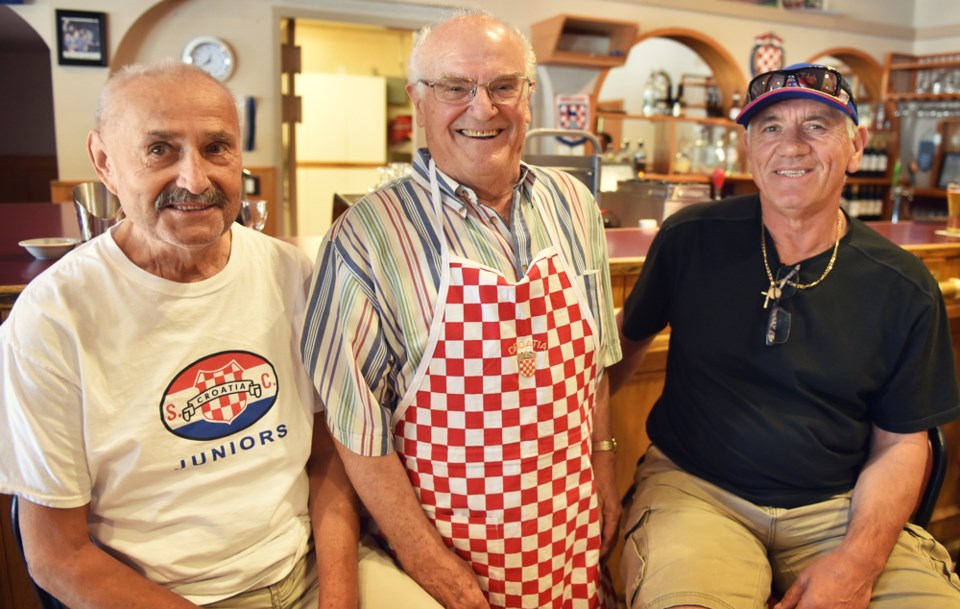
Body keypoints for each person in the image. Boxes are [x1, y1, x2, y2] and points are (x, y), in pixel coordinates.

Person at [0, 61, 359, 609]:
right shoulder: (53, 318)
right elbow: (56, 557)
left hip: (307, 570)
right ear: (104, 160)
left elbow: (326, 459)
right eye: (159, 150)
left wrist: (339, 597)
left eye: (217, 148)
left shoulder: (294, 276)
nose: (195, 180)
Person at [300, 10, 622, 609]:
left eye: (504, 86)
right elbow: (355, 428)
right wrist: (425, 557)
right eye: (456, 88)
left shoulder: (574, 204)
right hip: (454, 560)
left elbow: (595, 362)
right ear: (418, 100)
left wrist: (605, 469)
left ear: (528, 98)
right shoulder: (365, 237)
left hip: (570, 537)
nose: (483, 108)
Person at [612, 62, 960, 609]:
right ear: (749, 147)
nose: (791, 146)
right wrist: (593, 462)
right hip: (698, 492)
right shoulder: (691, 238)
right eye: (770, 127)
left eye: (817, 126)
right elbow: (619, 353)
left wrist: (858, 563)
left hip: (839, 508)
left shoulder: (903, 285)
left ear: (855, 145)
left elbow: (901, 442)